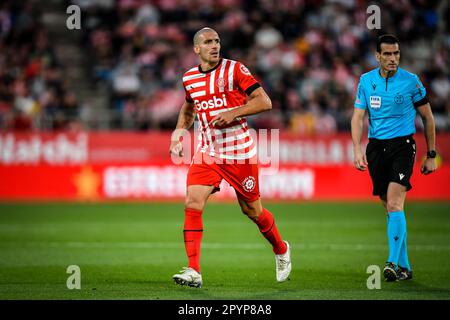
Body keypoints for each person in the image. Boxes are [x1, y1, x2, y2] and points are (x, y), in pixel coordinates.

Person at [169, 27, 291, 288]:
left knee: (252, 210)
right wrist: (179, 133)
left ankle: (281, 249)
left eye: (217, 41)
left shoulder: (235, 70)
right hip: (208, 153)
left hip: (240, 155)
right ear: (196, 49)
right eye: (208, 42)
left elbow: (264, 101)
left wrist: (234, 112)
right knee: (193, 202)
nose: (214, 45)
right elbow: (189, 107)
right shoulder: (189, 78)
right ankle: (194, 270)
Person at [351, 34, 437, 282]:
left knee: (394, 204)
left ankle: (391, 263)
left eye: (396, 53)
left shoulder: (411, 82)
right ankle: (405, 267)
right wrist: (357, 150)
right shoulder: (366, 81)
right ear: (377, 56)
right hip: (376, 148)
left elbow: (428, 118)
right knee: (388, 207)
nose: (393, 58)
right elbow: (358, 117)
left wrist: (431, 154)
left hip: (402, 146)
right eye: (387, 54)